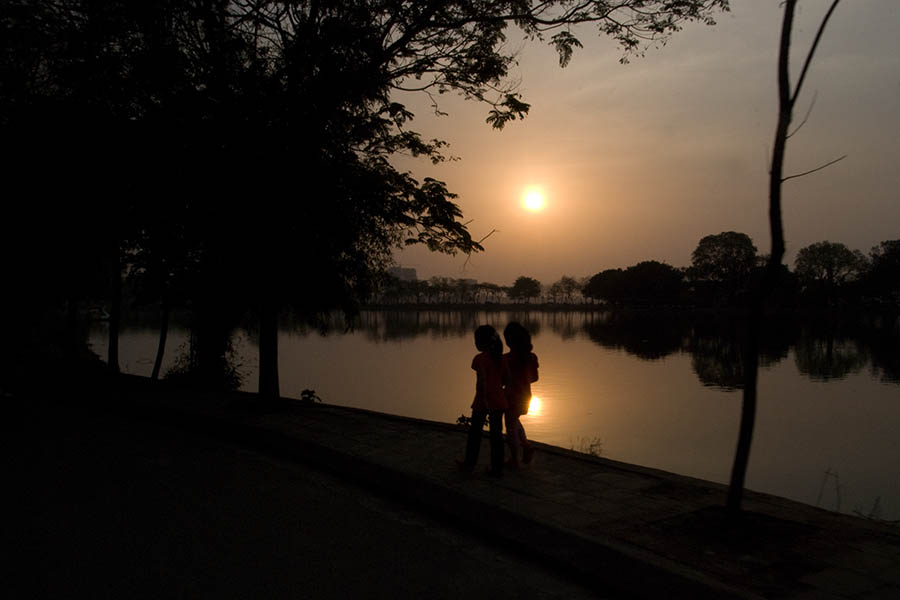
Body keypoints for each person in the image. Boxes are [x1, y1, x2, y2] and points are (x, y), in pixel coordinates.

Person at [457, 325, 507, 477]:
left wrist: (485, 397)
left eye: (476, 340)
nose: (475, 343)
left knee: (475, 435)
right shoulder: (501, 359)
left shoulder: (479, 359)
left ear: (481, 342)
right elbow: (507, 379)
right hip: (498, 401)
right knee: (496, 437)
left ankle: (469, 464)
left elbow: (481, 381)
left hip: (482, 401)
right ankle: (497, 469)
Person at [502, 322, 539, 468]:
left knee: (510, 427)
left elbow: (502, 380)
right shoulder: (531, 357)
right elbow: (535, 378)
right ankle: (526, 446)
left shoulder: (506, 359)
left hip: (511, 396)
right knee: (514, 421)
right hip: (526, 395)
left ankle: (515, 459)